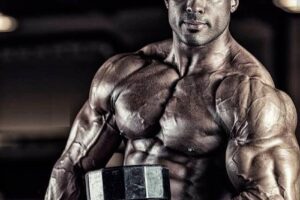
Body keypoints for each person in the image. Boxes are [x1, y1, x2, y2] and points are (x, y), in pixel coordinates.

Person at [45, 0, 300, 199]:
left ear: (232, 2)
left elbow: (271, 195)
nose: (194, 6)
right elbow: (70, 168)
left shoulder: (249, 95)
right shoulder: (124, 74)